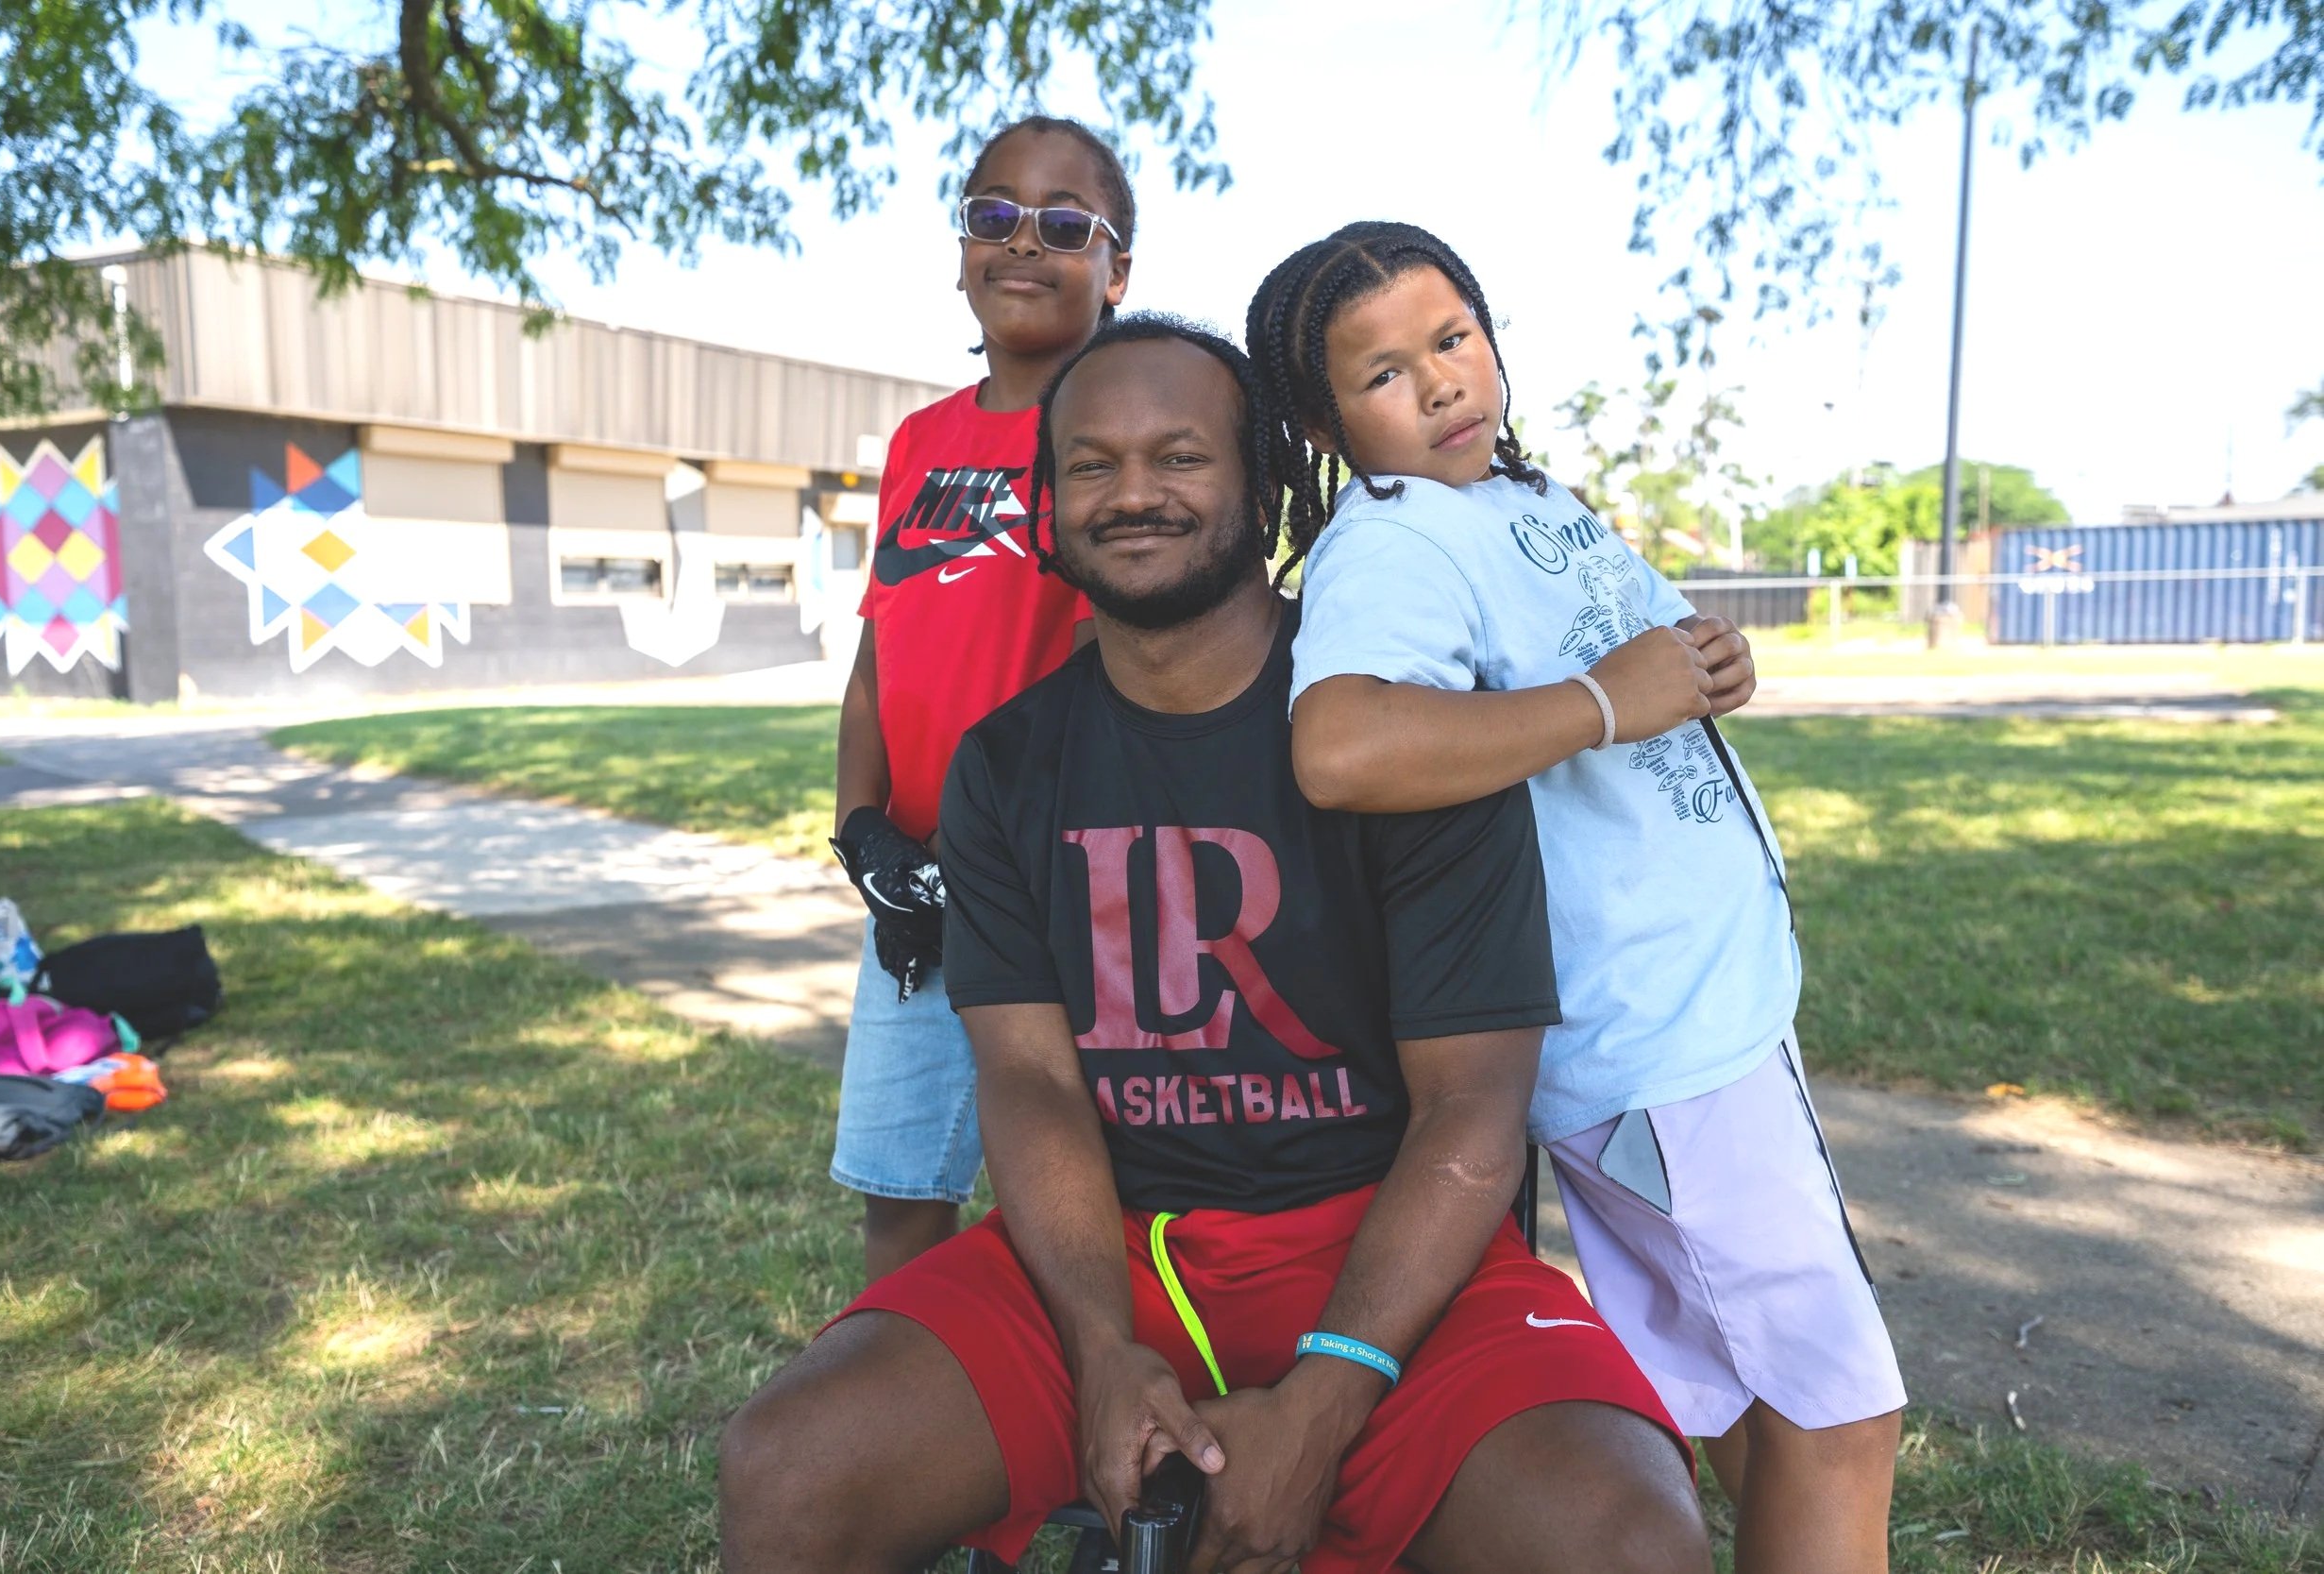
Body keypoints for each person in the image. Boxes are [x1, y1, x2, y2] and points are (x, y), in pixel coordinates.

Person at [719, 315, 1709, 1574]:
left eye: (1181, 457)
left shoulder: (1404, 733)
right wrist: (1095, 1347)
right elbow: (1026, 1078)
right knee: (790, 1465)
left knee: (1622, 1535)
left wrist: (1333, 1388)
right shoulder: (1007, 764)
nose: (1134, 492)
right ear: (1049, 502)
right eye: (1091, 464)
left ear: (1268, 489)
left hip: (1382, 1251)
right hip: (1110, 1245)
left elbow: (1473, 1103)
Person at [1248, 222, 1907, 1572]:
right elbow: (1343, 745)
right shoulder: (1395, 539)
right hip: (1659, 1047)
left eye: (1451, 337)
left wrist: (1703, 664)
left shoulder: (1516, 496)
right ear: (1323, 417)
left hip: (1697, 1020)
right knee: (1845, 1410)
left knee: (1743, 1385)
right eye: (1382, 373)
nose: (1438, 383)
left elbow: (1648, 661)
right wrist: (1608, 700)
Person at [829, 115, 1132, 1280]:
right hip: (912, 893)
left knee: (1076, 1202)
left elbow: (1122, 671)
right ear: (960, 244)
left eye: (1065, 224)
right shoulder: (919, 439)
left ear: (1118, 271)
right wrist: (862, 831)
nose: (1022, 242)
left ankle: (1096, 1420)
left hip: (1053, 883)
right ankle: (910, 1427)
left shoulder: (1119, 430)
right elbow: (878, 655)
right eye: (992, 213)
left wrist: (984, 848)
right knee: (900, 1191)